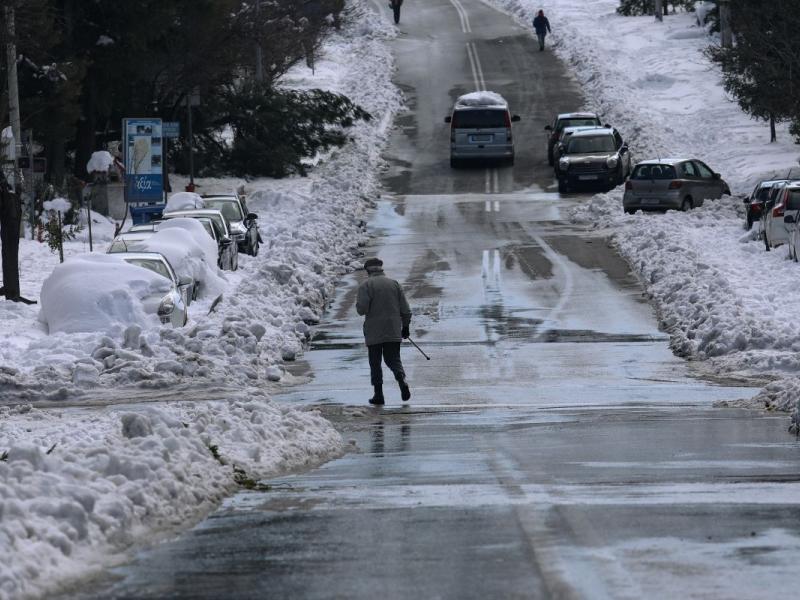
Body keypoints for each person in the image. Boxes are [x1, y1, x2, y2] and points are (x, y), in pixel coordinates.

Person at [356, 257, 412, 405]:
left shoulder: (366, 285)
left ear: (368, 270)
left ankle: (378, 395)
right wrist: (405, 327)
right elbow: (406, 310)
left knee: (375, 363)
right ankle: (402, 380)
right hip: (393, 329)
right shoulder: (394, 284)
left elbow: (361, 310)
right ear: (381, 268)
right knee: (393, 359)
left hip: (374, 330)